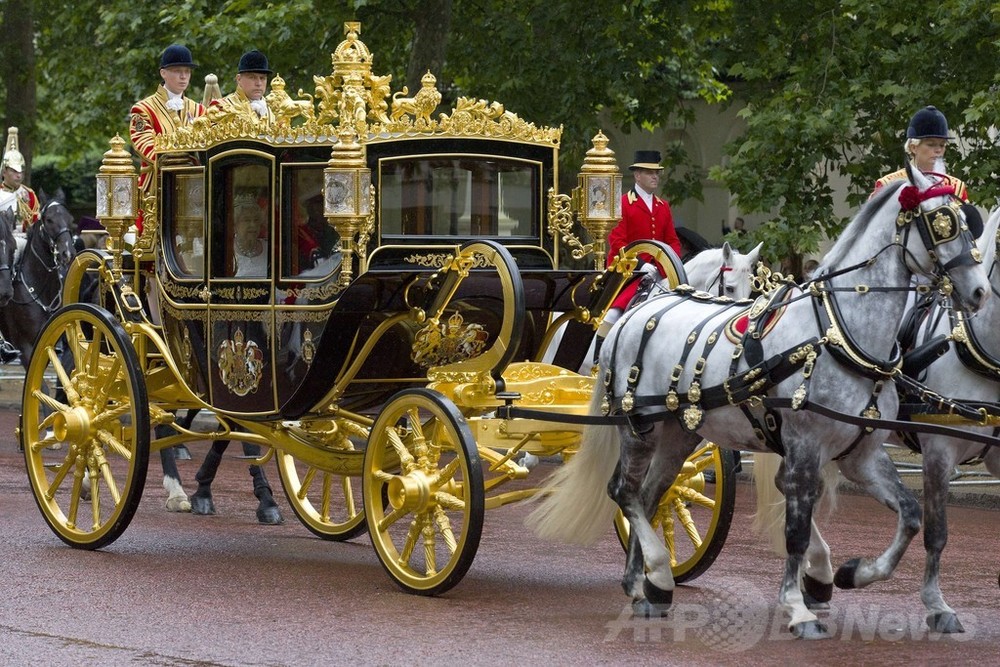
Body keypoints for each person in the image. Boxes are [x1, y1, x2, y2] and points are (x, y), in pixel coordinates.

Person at [590, 150, 681, 369]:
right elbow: (618, 242)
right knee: (613, 312)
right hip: (628, 272)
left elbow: (673, 241)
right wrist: (642, 264)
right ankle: (598, 358)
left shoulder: (663, 206)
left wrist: (665, 265)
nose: (655, 177)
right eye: (650, 172)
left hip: (658, 272)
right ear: (637, 175)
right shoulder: (623, 203)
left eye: (657, 172)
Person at [129, 44, 206, 234]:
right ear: (163, 73)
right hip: (157, 189)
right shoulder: (143, 109)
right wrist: (180, 156)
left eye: (187, 71)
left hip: (194, 187)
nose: (183, 77)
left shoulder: (199, 110)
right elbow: (144, 144)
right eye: (177, 71)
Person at [872, 105, 969, 201]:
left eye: (942, 145)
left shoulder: (957, 187)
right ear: (913, 147)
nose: (938, 150)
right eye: (931, 144)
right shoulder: (888, 184)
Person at [209, 50, 274, 124]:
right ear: (239, 79)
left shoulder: (274, 108)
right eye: (252, 77)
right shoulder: (222, 108)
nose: (258, 83)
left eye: (262, 78)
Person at [0, 127, 40, 233]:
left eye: (21, 171)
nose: (19, 175)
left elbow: (35, 224)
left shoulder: (29, 194)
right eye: (14, 171)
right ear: (4, 172)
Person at [232, 197, 268, 277]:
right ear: (235, 225)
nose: (253, 225)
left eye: (256, 220)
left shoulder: (269, 249)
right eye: (247, 220)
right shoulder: (227, 251)